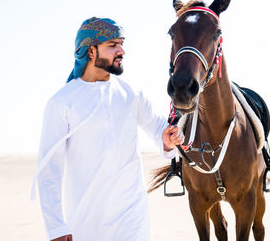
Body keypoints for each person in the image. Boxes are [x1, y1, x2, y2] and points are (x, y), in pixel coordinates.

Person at [31, 17, 184, 241]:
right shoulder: (62, 102)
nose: (121, 50)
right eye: (112, 45)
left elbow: (160, 130)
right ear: (90, 51)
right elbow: (49, 170)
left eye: (121, 43)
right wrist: (56, 228)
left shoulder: (132, 93)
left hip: (132, 219)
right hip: (85, 223)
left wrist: (168, 138)